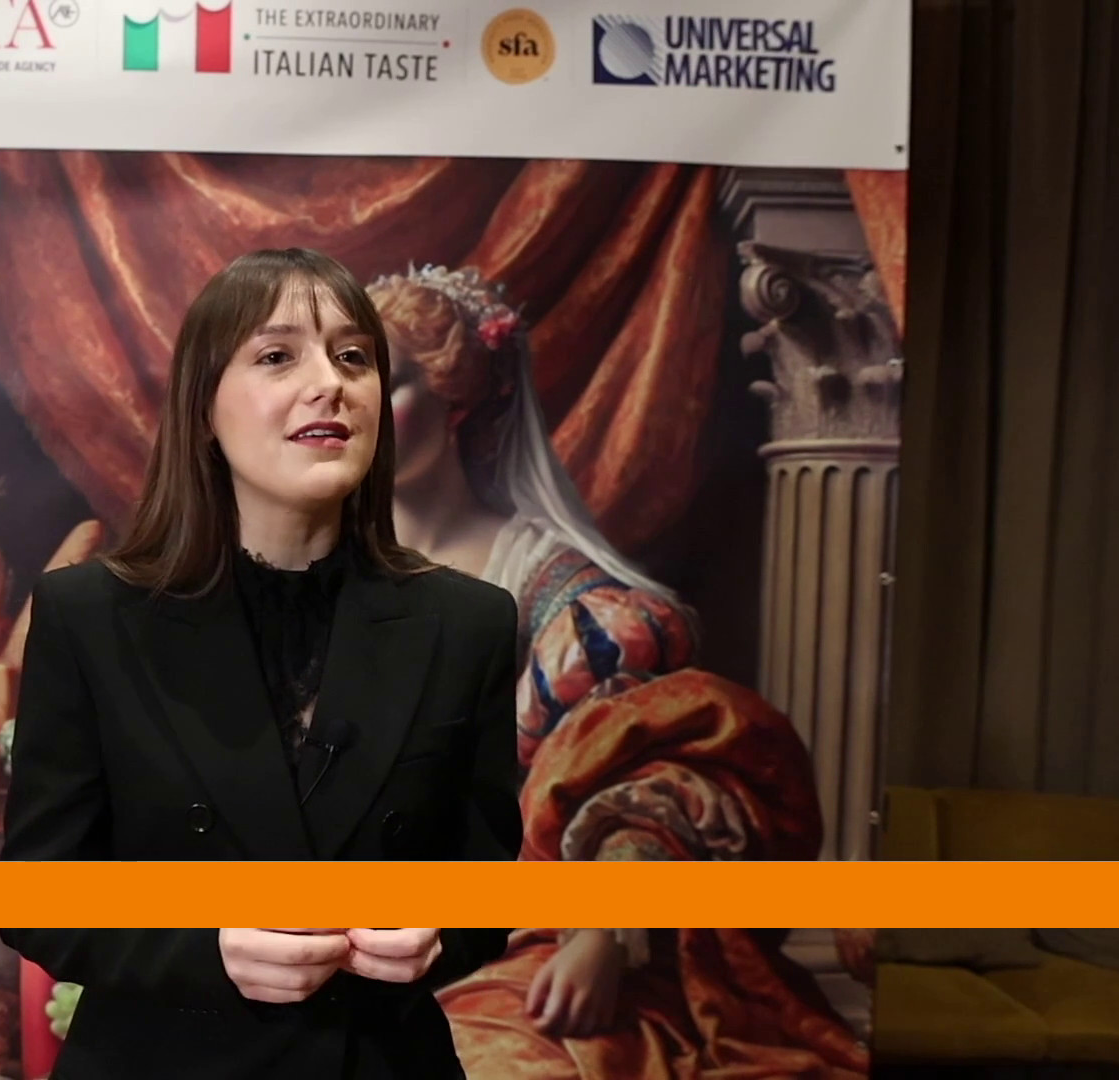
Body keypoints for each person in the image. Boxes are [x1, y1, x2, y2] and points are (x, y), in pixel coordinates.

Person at [0, 248, 525, 1080]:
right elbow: (38, 896)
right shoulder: (89, 617)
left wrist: (440, 938)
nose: (330, 384)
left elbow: (485, 887)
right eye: (279, 356)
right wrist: (206, 953)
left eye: (353, 358)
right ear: (204, 407)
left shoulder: (470, 624)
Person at [366, 266, 861, 1077]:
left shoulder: (555, 594)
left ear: (457, 397)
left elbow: (651, 766)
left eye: (383, 383)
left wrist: (601, 935)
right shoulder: (305, 574)